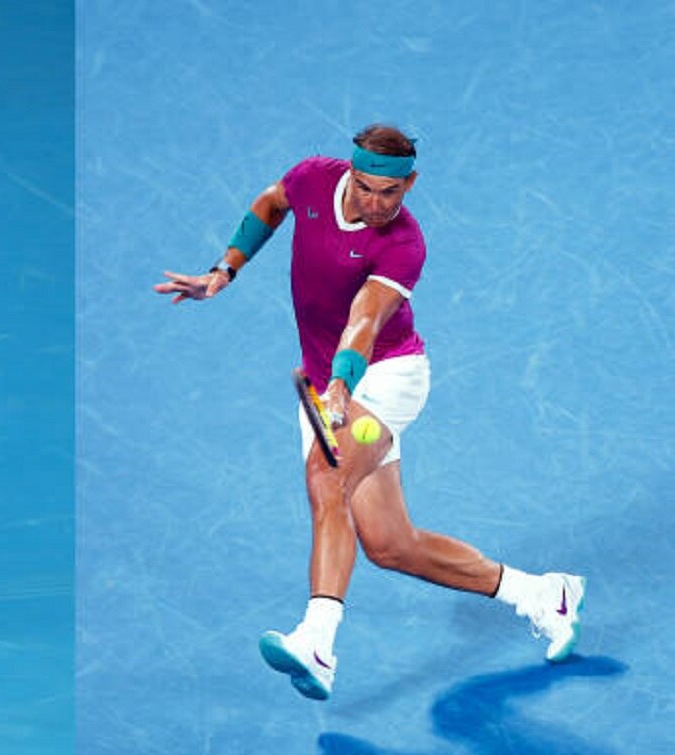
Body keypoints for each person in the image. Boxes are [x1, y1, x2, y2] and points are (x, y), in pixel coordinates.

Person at [153, 124, 585, 701]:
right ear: (348, 174)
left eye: (392, 193)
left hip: (385, 376)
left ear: (411, 184)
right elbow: (270, 203)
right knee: (389, 545)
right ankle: (543, 595)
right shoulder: (310, 178)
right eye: (365, 189)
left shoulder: (403, 244)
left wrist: (339, 385)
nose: (378, 204)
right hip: (324, 380)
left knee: (325, 478)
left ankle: (318, 642)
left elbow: (363, 322)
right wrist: (225, 268)